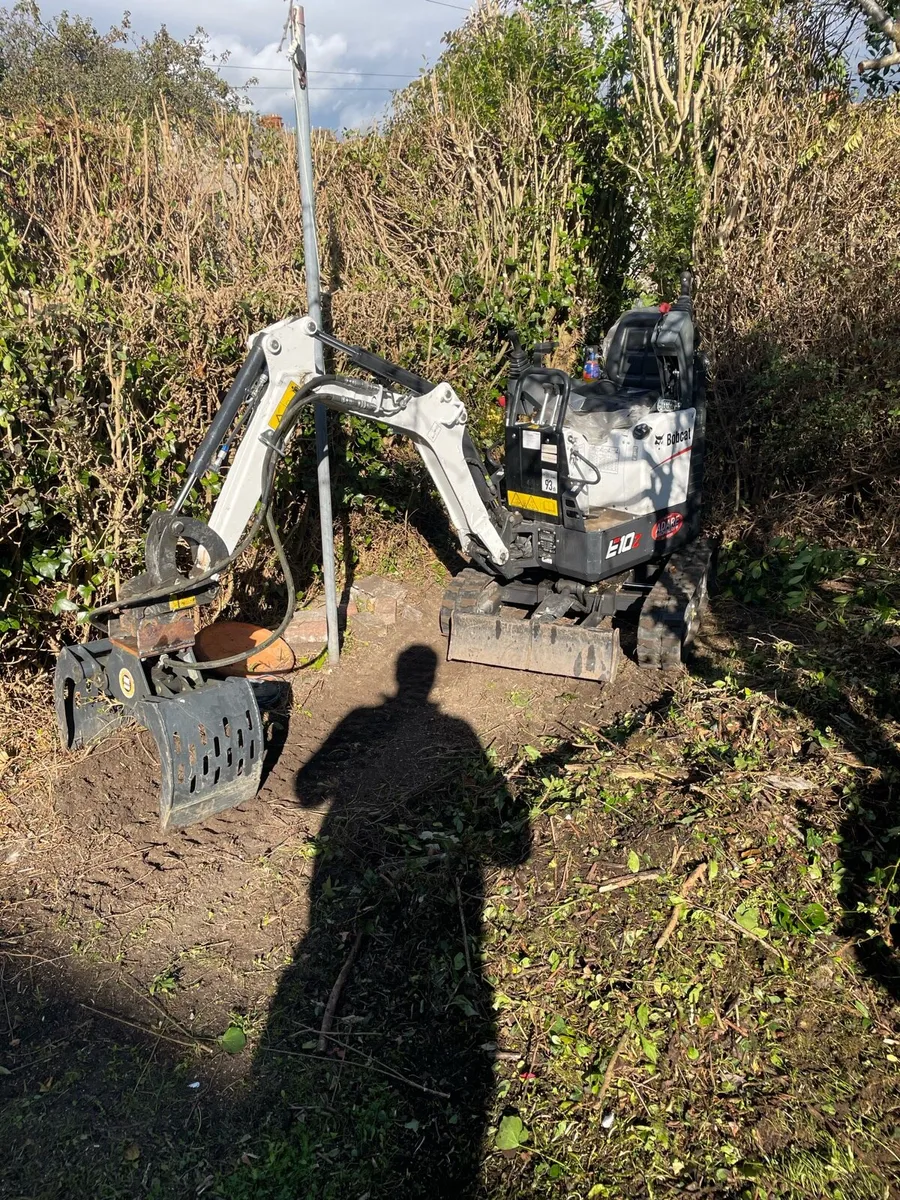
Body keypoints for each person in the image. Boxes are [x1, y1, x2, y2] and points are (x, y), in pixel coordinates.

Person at [240, 644, 531, 1198]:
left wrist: (356, 762)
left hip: (345, 868)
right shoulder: (459, 731)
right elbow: (511, 848)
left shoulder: (363, 720)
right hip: (450, 893)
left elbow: (306, 791)